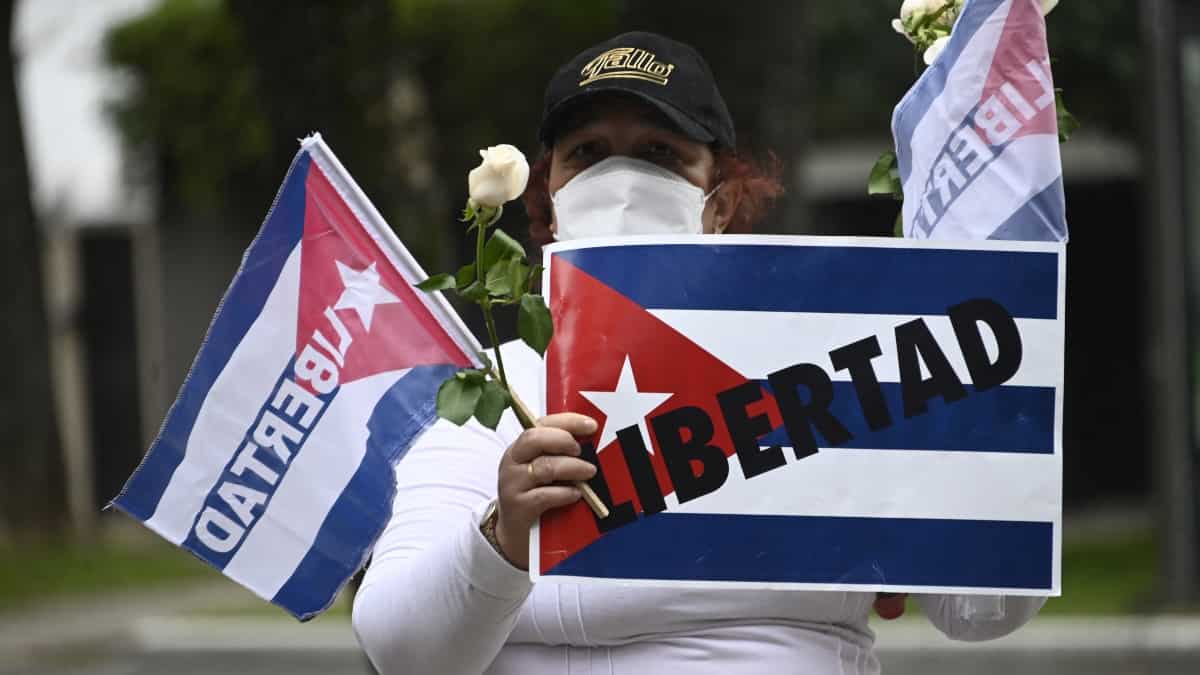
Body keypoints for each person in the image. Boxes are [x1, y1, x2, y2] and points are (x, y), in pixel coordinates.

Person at [352, 31, 1046, 675]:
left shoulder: (833, 369)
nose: (620, 179)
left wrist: (987, 419)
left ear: (719, 201)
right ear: (550, 199)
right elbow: (403, 651)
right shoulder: (497, 389)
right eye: (587, 153)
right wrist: (504, 535)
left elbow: (983, 609)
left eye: (659, 152)